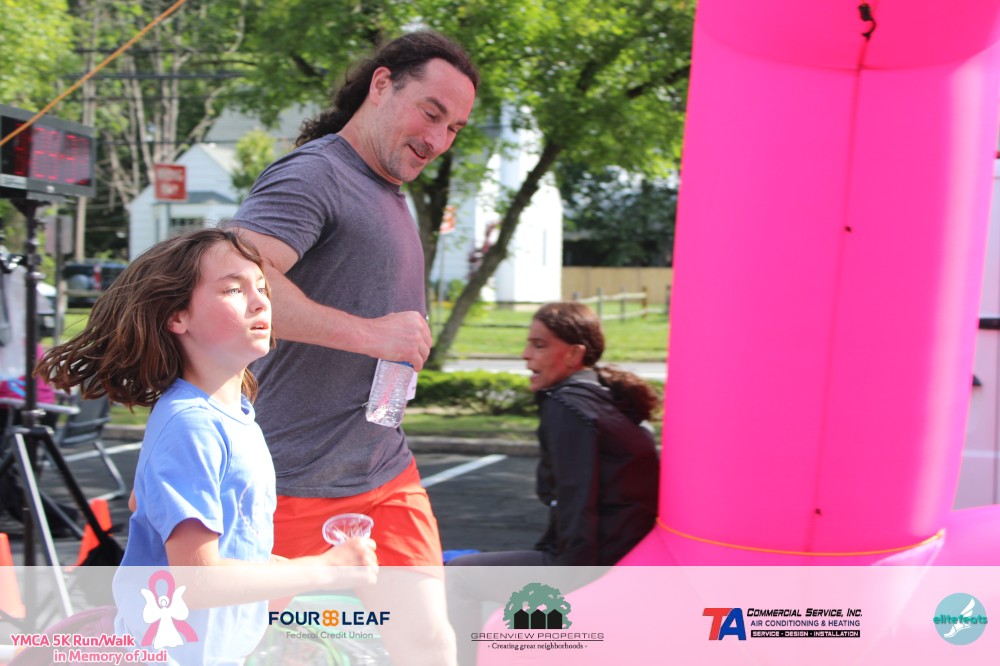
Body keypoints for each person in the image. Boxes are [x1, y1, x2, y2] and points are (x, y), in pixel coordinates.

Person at [225, 30, 478, 666]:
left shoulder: (388, 186)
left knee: (427, 642)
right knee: (256, 649)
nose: (439, 139)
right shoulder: (315, 173)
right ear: (382, 84)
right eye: (431, 113)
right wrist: (371, 335)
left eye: (454, 128)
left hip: (384, 469)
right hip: (293, 478)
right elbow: (232, 284)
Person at [34, 229, 377, 665]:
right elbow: (194, 581)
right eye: (233, 289)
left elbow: (147, 505)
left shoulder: (234, 415)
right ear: (177, 316)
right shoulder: (192, 424)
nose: (260, 302)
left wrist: (280, 572)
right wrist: (322, 569)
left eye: (262, 287)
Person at [445, 302, 660, 664]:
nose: (525, 354)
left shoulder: (568, 406)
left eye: (539, 345)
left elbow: (578, 500)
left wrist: (568, 584)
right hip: (627, 555)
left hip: (595, 562)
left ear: (574, 354)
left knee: (456, 576)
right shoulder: (608, 399)